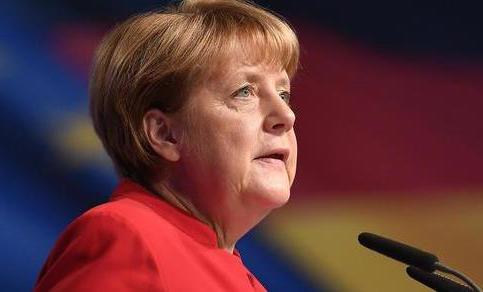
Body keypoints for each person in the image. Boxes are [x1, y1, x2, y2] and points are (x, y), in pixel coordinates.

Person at [35, 0, 298, 290]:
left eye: (283, 94)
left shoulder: (244, 279)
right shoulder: (127, 234)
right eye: (244, 92)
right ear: (165, 134)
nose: (286, 115)